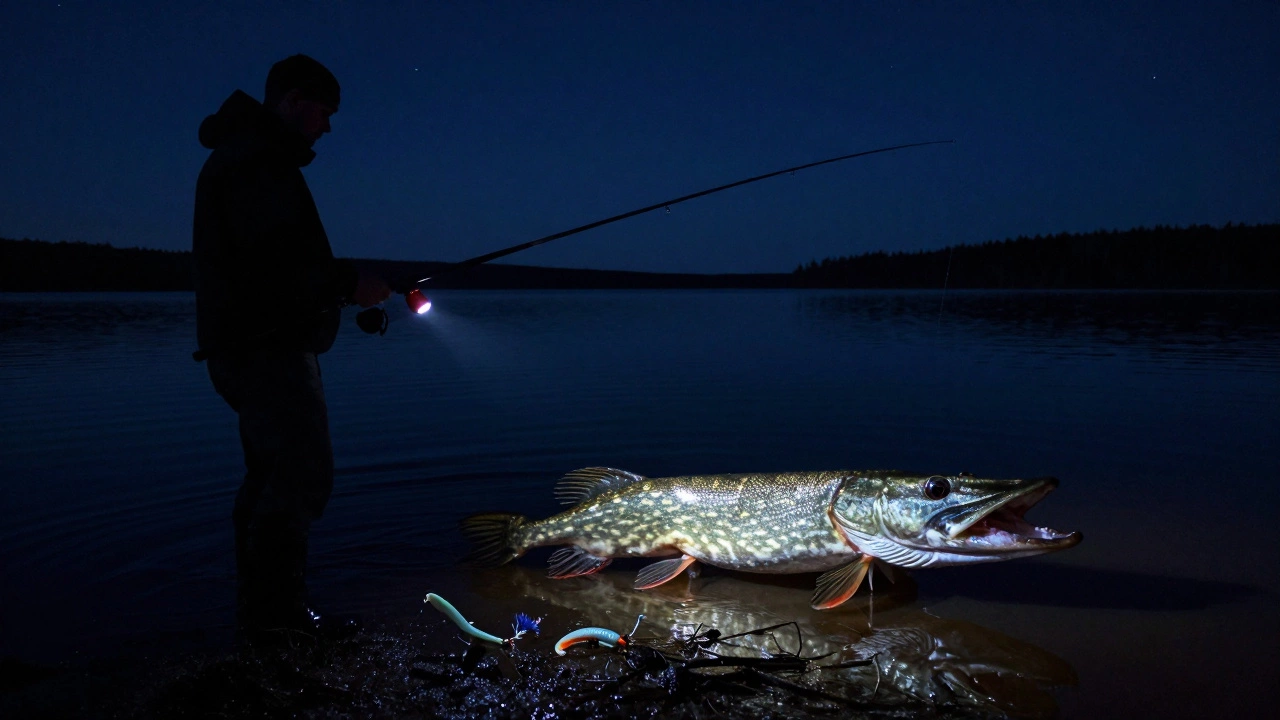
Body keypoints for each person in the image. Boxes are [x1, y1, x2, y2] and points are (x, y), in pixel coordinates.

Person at [192, 54, 390, 639]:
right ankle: (280, 625)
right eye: (322, 111)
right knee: (303, 474)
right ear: (292, 100)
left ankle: (260, 619)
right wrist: (349, 284)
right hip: (265, 347)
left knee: (269, 474)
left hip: (246, 345)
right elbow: (278, 261)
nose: (325, 126)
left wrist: (339, 284)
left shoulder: (248, 157)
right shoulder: (254, 161)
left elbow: (280, 261)